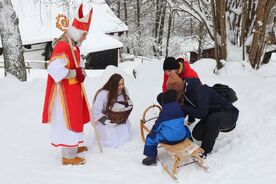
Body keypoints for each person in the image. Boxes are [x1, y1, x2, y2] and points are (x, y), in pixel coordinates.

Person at [42, 4, 92, 165]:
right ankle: (68, 156)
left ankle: (73, 147)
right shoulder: (64, 45)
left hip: (73, 89)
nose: (85, 37)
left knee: (76, 117)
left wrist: (81, 72)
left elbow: (78, 64)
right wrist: (73, 73)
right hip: (64, 93)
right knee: (68, 120)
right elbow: (53, 68)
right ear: (78, 32)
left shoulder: (74, 46)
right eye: (84, 34)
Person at [182, 78, 239, 158]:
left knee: (214, 118)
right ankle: (214, 129)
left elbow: (202, 114)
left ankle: (205, 151)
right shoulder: (187, 94)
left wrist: (183, 108)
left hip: (229, 115)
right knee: (197, 134)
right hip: (213, 116)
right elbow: (190, 107)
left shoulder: (200, 91)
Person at [142, 90, 191, 166]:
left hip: (169, 139)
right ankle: (190, 142)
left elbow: (157, 126)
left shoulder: (164, 113)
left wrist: (152, 132)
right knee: (186, 128)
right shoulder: (181, 109)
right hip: (182, 136)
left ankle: (151, 157)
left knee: (150, 138)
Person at [91, 73, 133, 148]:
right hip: (105, 119)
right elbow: (95, 111)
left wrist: (128, 104)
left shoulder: (124, 91)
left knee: (123, 126)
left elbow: (125, 104)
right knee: (111, 131)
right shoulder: (103, 94)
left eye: (122, 84)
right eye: (118, 84)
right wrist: (105, 121)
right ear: (113, 84)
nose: (121, 87)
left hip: (119, 118)